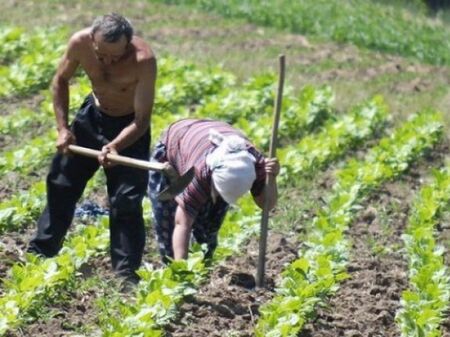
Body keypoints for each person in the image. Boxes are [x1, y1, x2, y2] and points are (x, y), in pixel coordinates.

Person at [27, 13, 157, 284]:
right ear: (92, 41)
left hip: (129, 129)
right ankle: (41, 251)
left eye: (116, 57)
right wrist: (63, 128)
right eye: (102, 55)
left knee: (126, 201)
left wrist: (116, 146)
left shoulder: (144, 60)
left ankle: (125, 275)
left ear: (128, 45)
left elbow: (142, 119)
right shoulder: (79, 43)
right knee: (62, 183)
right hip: (91, 118)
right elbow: (60, 81)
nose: (108, 62)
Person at [148, 119, 279, 262]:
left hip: (204, 142)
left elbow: (266, 204)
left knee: (207, 232)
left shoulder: (256, 165)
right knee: (168, 225)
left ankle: (203, 267)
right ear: (213, 182)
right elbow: (182, 224)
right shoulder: (199, 174)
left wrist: (271, 178)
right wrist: (181, 269)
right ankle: (172, 268)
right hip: (176, 143)